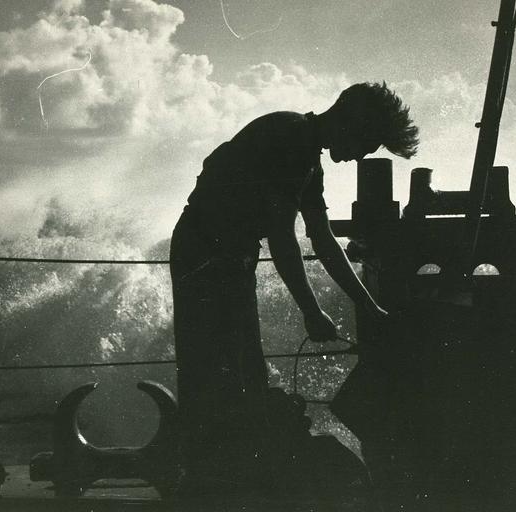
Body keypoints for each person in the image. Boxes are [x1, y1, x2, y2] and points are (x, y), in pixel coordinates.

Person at [170, 81, 419, 489]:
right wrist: (311, 311)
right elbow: (283, 235)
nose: (360, 156)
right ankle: (206, 478)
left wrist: (369, 305)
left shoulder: (309, 162)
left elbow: (322, 239)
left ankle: (227, 473)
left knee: (242, 365)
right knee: (216, 366)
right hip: (204, 254)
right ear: (351, 122)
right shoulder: (290, 138)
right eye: (366, 144)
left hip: (233, 257)